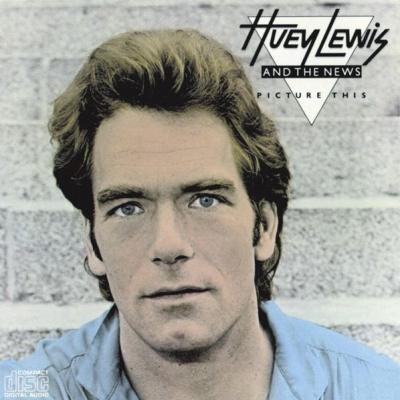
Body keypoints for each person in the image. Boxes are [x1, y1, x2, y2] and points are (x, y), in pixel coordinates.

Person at [0, 29, 399, 400]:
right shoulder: (28, 390)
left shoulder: (376, 389)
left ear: (263, 227)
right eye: (128, 208)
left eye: (205, 200)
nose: (168, 245)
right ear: (92, 243)